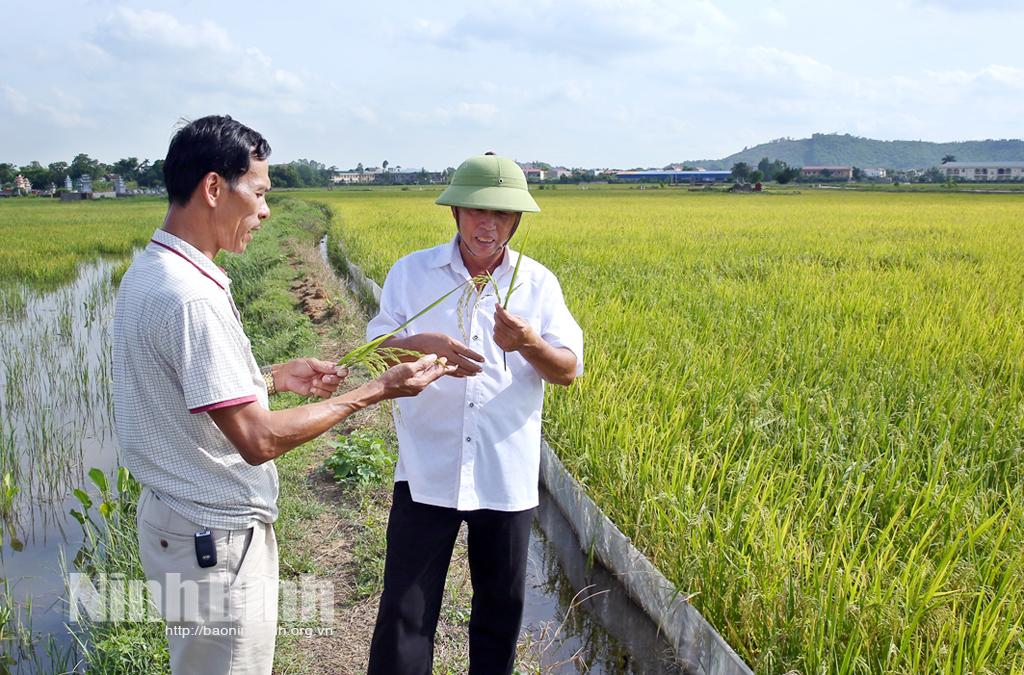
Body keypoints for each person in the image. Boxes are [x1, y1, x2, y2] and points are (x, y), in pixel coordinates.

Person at [112, 115, 453, 675]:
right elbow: (258, 439)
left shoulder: (150, 272)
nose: (267, 211)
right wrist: (376, 390)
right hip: (213, 541)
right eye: (261, 193)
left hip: (177, 526)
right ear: (215, 187)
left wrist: (270, 378)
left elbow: (182, 389)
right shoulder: (191, 296)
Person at [365, 153, 584, 674]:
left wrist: (528, 342)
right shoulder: (413, 272)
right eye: (477, 212)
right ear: (455, 213)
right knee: (404, 613)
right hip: (426, 470)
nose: (489, 225)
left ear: (517, 221)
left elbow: (568, 369)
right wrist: (418, 342)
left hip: (503, 475)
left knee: (499, 614)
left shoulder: (537, 284)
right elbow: (376, 345)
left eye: (503, 215)